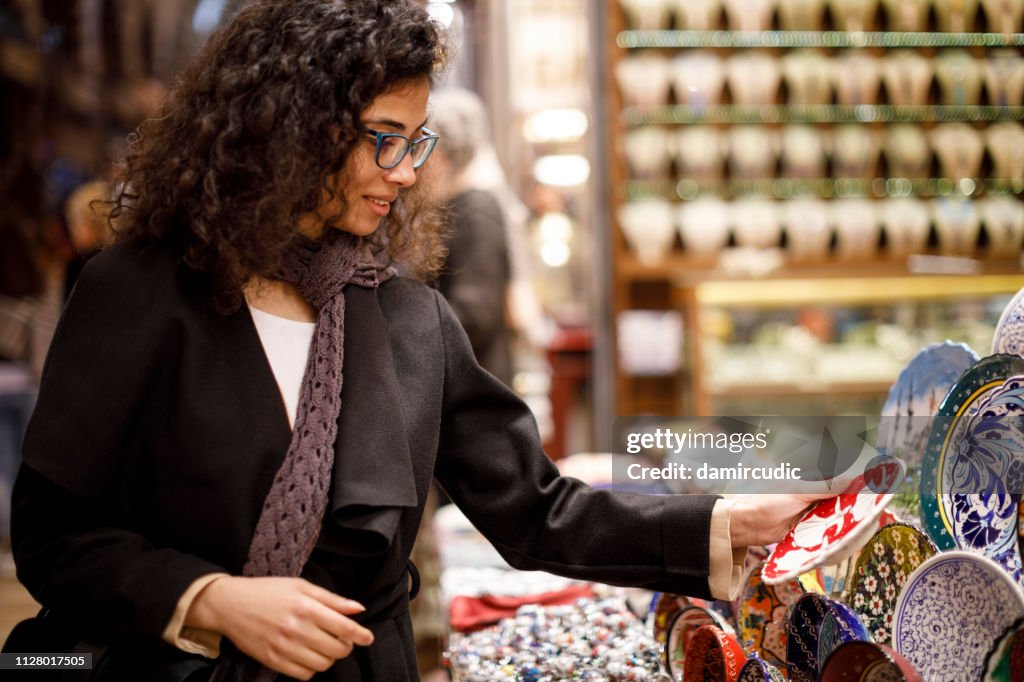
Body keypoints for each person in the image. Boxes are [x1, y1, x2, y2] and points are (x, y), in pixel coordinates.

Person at [9, 2, 829, 681]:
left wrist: (729, 522)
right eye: (384, 137)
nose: (407, 171)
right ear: (291, 125)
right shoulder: (139, 292)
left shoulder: (407, 318)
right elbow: (55, 535)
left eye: (418, 139)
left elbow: (535, 509)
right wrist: (208, 598)